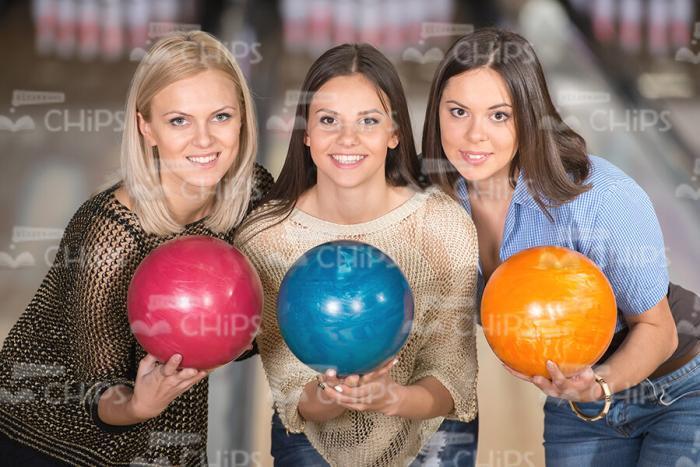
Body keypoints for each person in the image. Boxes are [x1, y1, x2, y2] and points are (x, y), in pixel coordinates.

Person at [422, 27, 700, 466]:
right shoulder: (437, 208)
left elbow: (659, 331)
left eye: (499, 115)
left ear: (529, 117)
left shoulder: (597, 196)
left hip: (679, 384)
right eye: (458, 111)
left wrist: (600, 384)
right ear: (436, 111)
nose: (474, 135)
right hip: (575, 392)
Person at [0, 30, 273, 466]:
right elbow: (99, 389)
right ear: (146, 127)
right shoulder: (109, 232)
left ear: (242, 115)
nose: (204, 141)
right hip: (48, 437)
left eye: (220, 116)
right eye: (179, 120)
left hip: (164, 433)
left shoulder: (252, 192)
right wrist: (138, 405)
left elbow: (248, 325)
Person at [236, 43, 479, 467]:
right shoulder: (265, 240)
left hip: (429, 428)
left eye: (368, 120)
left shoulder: (443, 225)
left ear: (394, 133)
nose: (347, 139)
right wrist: (335, 394)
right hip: (313, 433)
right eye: (328, 120)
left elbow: (451, 372)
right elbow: (295, 394)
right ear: (306, 132)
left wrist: (394, 398)